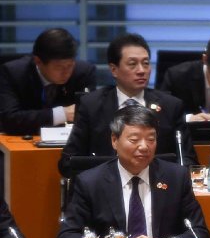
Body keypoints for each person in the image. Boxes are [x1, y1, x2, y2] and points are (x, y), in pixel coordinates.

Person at [55, 106, 210, 238]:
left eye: (151, 139)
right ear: (114, 141)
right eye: (134, 140)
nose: (144, 147)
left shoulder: (176, 177)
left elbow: (200, 233)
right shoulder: (90, 182)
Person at [59, 33, 196, 176]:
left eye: (145, 63)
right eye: (132, 64)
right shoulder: (91, 105)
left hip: (158, 183)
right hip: (105, 184)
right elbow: (68, 162)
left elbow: (188, 160)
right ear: (114, 69)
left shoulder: (171, 106)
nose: (141, 70)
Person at [0, 28, 96, 135]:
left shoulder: (83, 73)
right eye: (59, 67)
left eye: (70, 65)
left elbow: (91, 117)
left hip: (68, 141)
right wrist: (61, 114)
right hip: (22, 140)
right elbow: (9, 120)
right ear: (38, 61)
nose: (66, 72)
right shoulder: (13, 73)